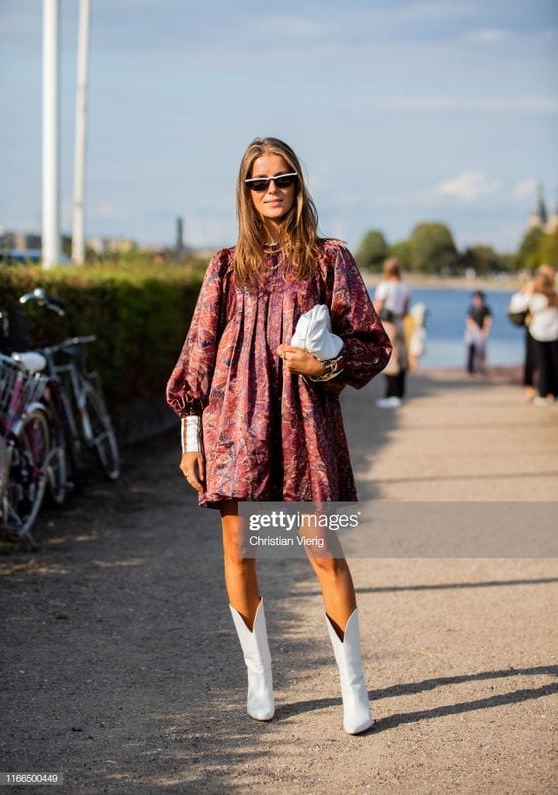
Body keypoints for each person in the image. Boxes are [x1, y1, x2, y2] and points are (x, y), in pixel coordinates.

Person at [166, 137, 392, 734]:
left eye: (282, 179)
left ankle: (353, 690)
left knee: (324, 550)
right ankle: (259, 681)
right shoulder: (223, 266)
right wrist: (191, 437)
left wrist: (326, 366)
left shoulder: (329, 259)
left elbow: (373, 343)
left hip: (306, 421)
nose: (271, 191)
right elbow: (198, 354)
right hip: (234, 424)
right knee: (240, 547)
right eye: (258, 183)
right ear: (244, 193)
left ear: (298, 184)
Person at [509, 265, 558, 406]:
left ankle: (544, 393)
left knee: (543, 365)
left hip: (541, 334)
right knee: (551, 364)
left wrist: (528, 292)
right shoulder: (550, 297)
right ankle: (549, 393)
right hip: (548, 335)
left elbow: (516, 305)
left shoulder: (537, 298)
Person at [373, 257, 410, 407]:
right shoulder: (405, 287)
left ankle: (392, 395)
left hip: (388, 323)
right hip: (400, 322)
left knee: (390, 359)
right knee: (401, 358)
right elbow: (406, 310)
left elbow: (377, 307)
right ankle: (400, 393)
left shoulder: (385, 286)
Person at [464, 290, 492, 375]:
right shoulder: (471, 308)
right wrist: (475, 328)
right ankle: (470, 368)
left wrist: (485, 330)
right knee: (470, 350)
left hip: (481, 333)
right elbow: (468, 320)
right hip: (472, 332)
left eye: (479, 298)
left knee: (481, 352)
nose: (477, 300)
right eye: (476, 298)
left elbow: (488, 320)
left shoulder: (486, 309)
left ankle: (480, 368)